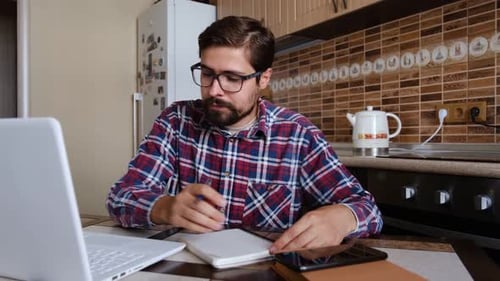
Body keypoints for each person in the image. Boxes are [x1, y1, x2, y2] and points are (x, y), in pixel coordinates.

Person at [106, 16, 383, 254]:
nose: (214, 90)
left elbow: (367, 209)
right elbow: (120, 197)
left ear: (263, 79)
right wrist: (164, 207)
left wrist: (342, 218)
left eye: (232, 78)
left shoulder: (297, 135)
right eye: (207, 74)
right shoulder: (176, 121)